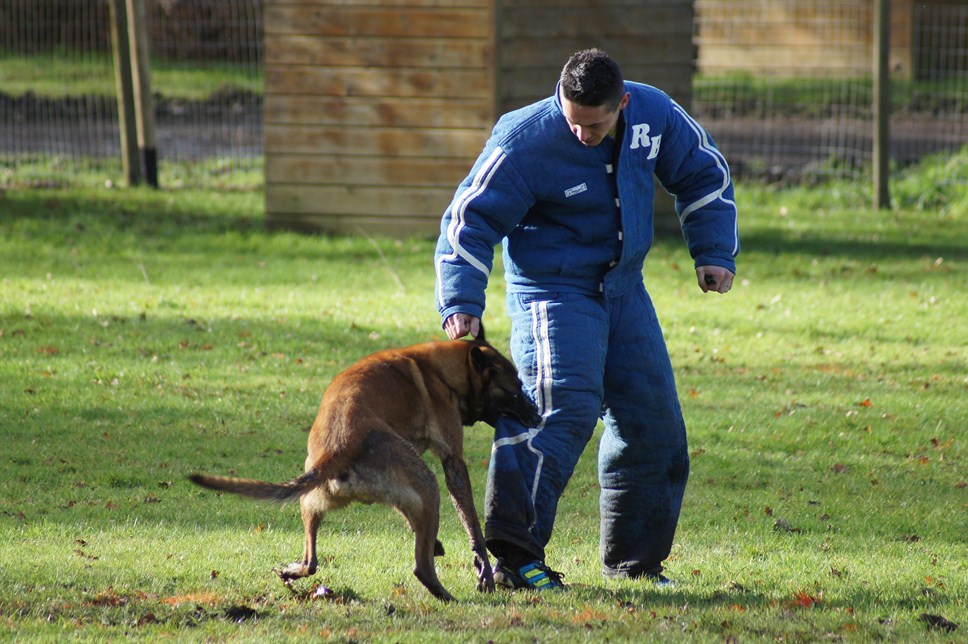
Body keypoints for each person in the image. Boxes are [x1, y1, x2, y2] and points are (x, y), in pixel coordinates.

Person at [434, 48, 738, 590]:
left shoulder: (654, 114)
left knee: (654, 424)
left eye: (594, 124)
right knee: (555, 409)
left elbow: (702, 171)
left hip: (624, 289)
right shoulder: (523, 139)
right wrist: (461, 303)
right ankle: (513, 559)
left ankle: (636, 563)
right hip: (552, 291)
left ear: (621, 103)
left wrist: (712, 249)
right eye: (572, 121)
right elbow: (468, 220)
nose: (581, 134)